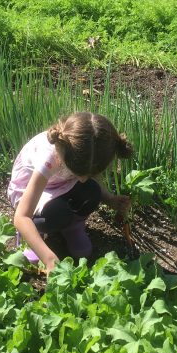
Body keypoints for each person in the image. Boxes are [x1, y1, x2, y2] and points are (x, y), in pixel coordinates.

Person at [9, 112, 133, 274]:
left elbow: (86, 180)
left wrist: (110, 199)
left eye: (89, 174)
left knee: (92, 191)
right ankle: (33, 235)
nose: (83, 179)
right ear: (66, 155)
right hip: (30, 190)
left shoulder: (89, 146)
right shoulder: (48, 157)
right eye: (80, 172)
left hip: (62, 183)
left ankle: (72, 227)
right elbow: (21, 216)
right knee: (56, 214)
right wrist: (49, 259)